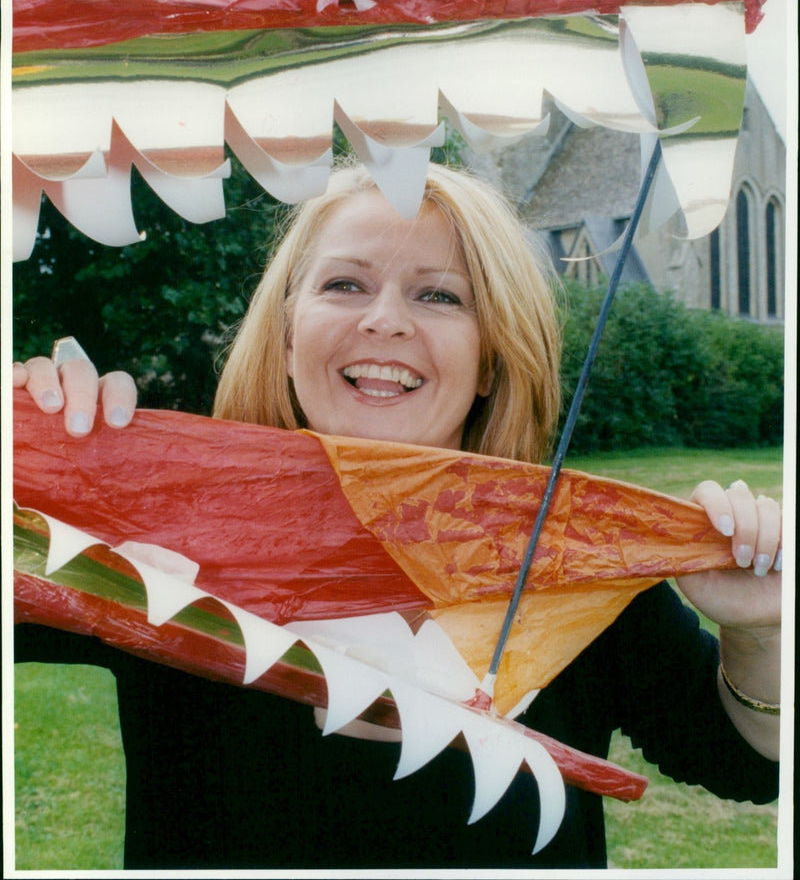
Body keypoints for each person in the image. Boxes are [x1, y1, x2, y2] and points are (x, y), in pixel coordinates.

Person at [14, 161, 781, 869]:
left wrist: (759, 631)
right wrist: (29, 458)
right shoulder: (159, 527)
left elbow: (746, 764)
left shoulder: (571, 555)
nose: (385, 320)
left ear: (491, 359)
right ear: (287, 338)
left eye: (439, 295)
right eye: (345, 284)